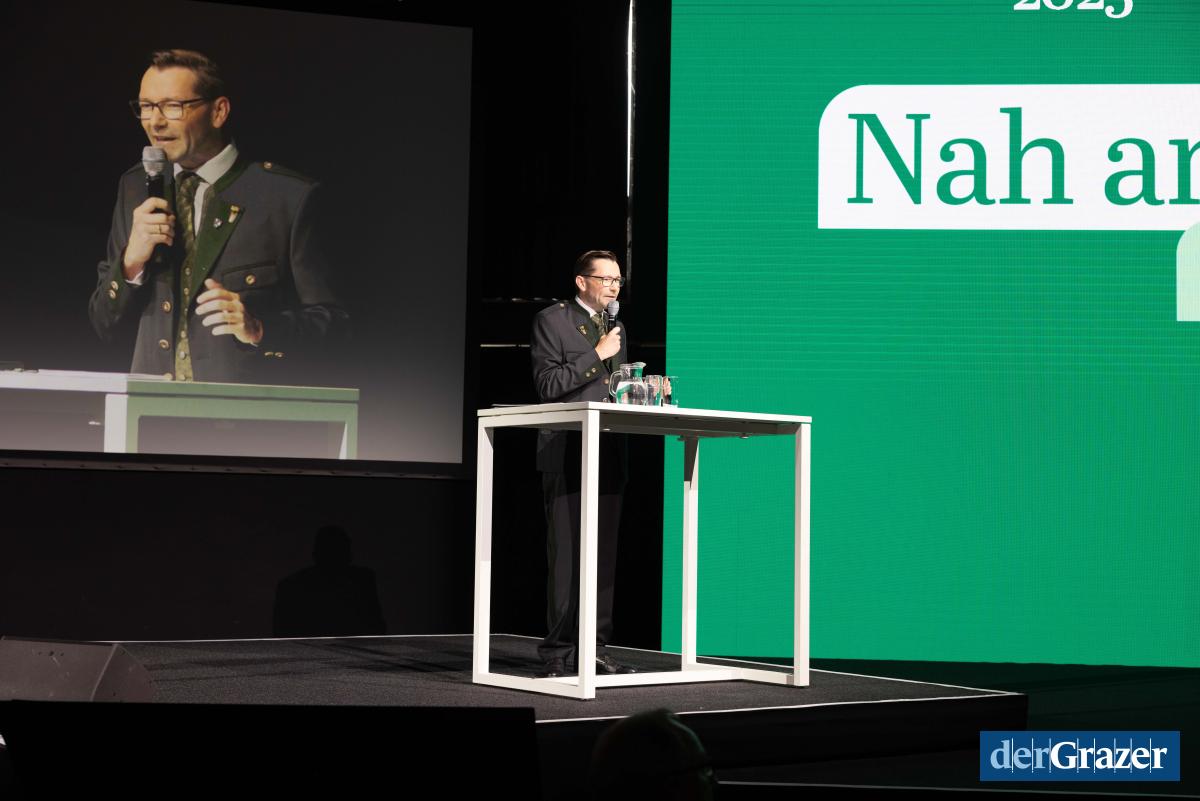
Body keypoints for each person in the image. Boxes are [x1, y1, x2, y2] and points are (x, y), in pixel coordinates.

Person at [88, 49, 346, 384]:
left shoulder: (285, 197)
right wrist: (131, 263)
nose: (155, 121)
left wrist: (260, 328)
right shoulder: (135, 186)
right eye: (146, 107)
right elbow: (104, 324)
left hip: (243, 413)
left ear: (219, 111)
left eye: (173, 106)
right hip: (150, 409)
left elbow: (335, 325)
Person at [530, 249, 634, 678]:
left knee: (603, 556)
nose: (613, 286)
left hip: (607, 449)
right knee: (567, 558)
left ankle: (595, 648)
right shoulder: (551, 321)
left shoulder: (615, 326)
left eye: (618, 280)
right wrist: (597, 353)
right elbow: (548, 385)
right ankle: (557, 653)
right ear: (581, 281)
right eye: (606, 279)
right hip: (567, 449)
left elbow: (615, 387)